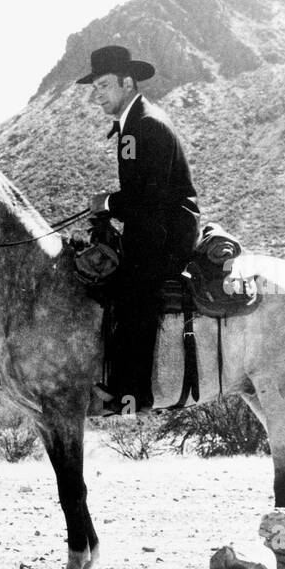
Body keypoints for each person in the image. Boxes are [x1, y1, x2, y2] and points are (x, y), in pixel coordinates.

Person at [77, 45, 200, 413]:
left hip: (167, 233)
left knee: (134, 291)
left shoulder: (145, 125)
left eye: (103, 86)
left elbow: (150, 196)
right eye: (94, 88)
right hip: (151, 227)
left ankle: (132, 395)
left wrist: (109, 205)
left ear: (127, 82)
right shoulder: (132, 124)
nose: (96, 95)